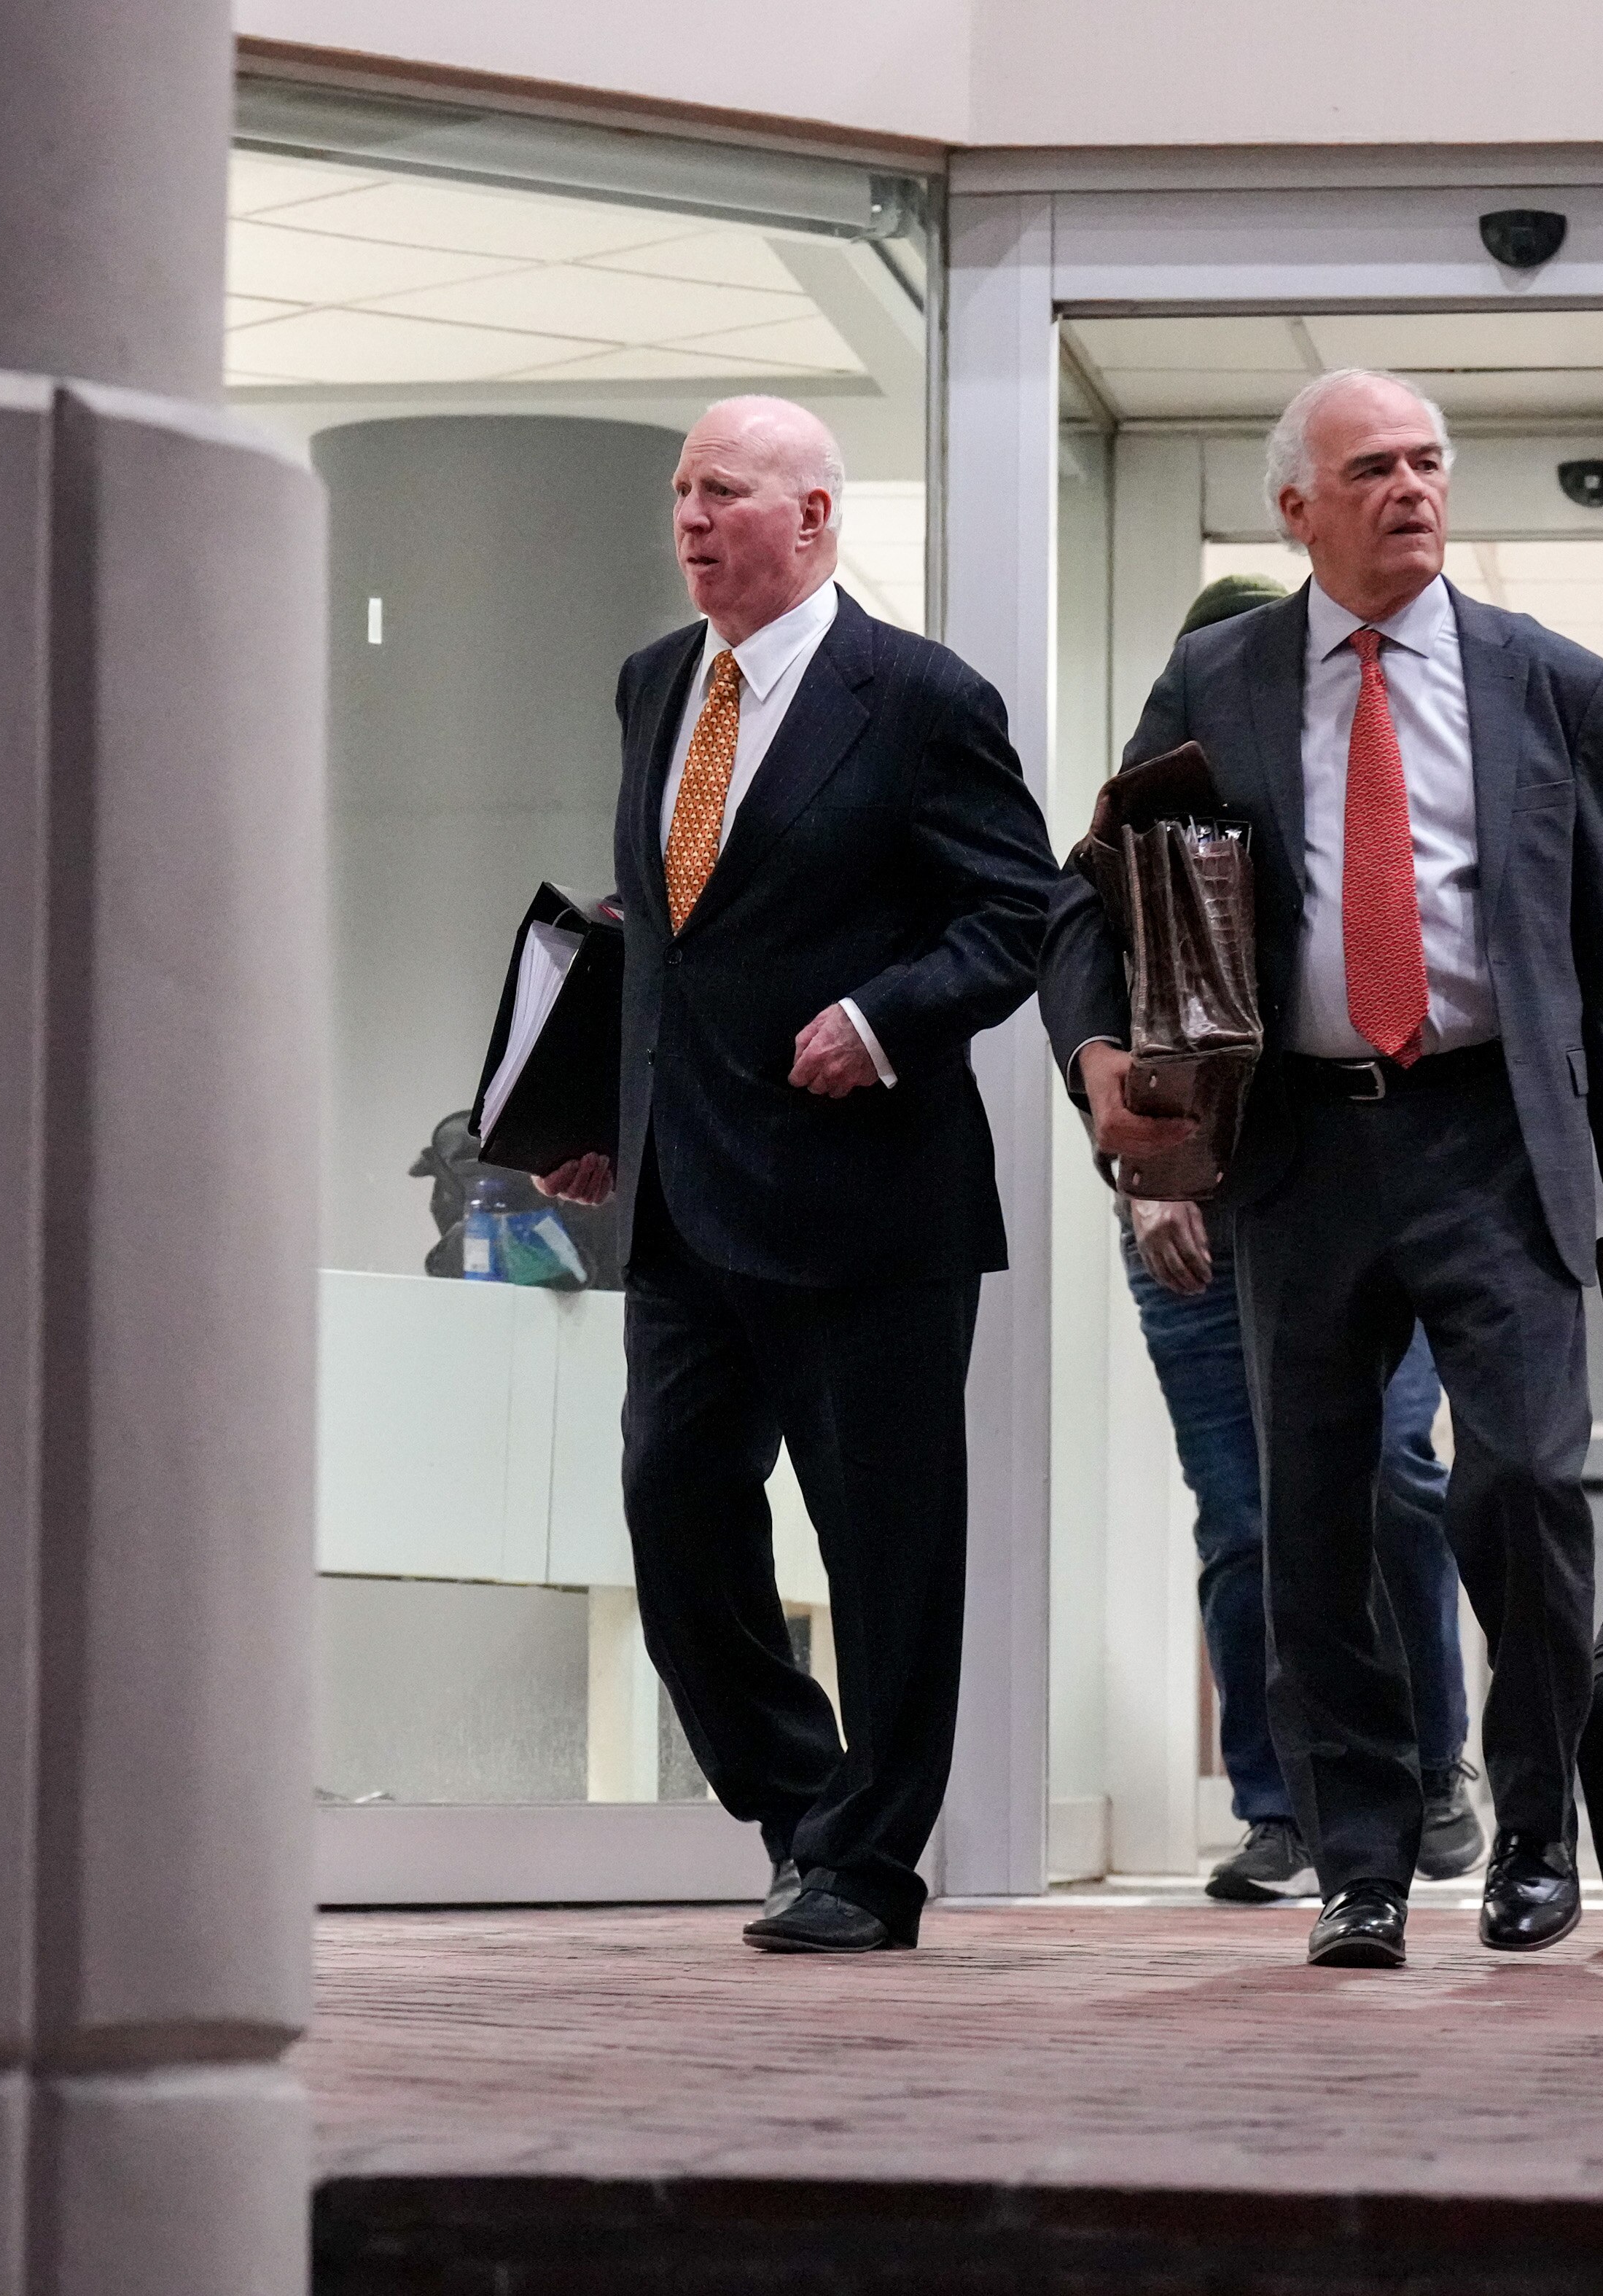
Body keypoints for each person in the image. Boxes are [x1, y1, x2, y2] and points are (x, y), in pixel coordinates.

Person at [1043, 369, 1603, 1969]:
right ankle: (1357, 1862)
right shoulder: (1219, 675)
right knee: (1313, 1513)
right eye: (1371, 469)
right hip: (1301, 1148)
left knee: (1522, 1482)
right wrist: (1100, 1056)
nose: (1410, 489)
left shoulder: (1548, 679)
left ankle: (1534, 1831)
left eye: (1426, 463)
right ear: (1296, 510)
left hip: (1495, 1136)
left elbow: (1599, 945)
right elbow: (1095, 896)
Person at [537, 395, 1058, 1956]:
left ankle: (868, 1866)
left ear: (813, 517)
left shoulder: (919, 698)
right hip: (684, 1192)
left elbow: (1016, 914)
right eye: (681, 492)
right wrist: (592, 1108)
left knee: (884, 1546)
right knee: (674, 1511)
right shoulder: (652, 683)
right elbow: (667, 935)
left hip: (866, 1202)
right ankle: (802, 1803)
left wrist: (885, 1020)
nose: (691, 520)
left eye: (724, 492)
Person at [1114, 572, 1481, 1905]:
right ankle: (1281, 1805)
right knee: (1244, 1513)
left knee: (1390, 1476)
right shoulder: (1143, 832)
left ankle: (1429, 1768)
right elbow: (1115, 1008)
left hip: (1351, 1195)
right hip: (1198, 1204)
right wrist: (1151, 1179)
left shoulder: (1352, 804)